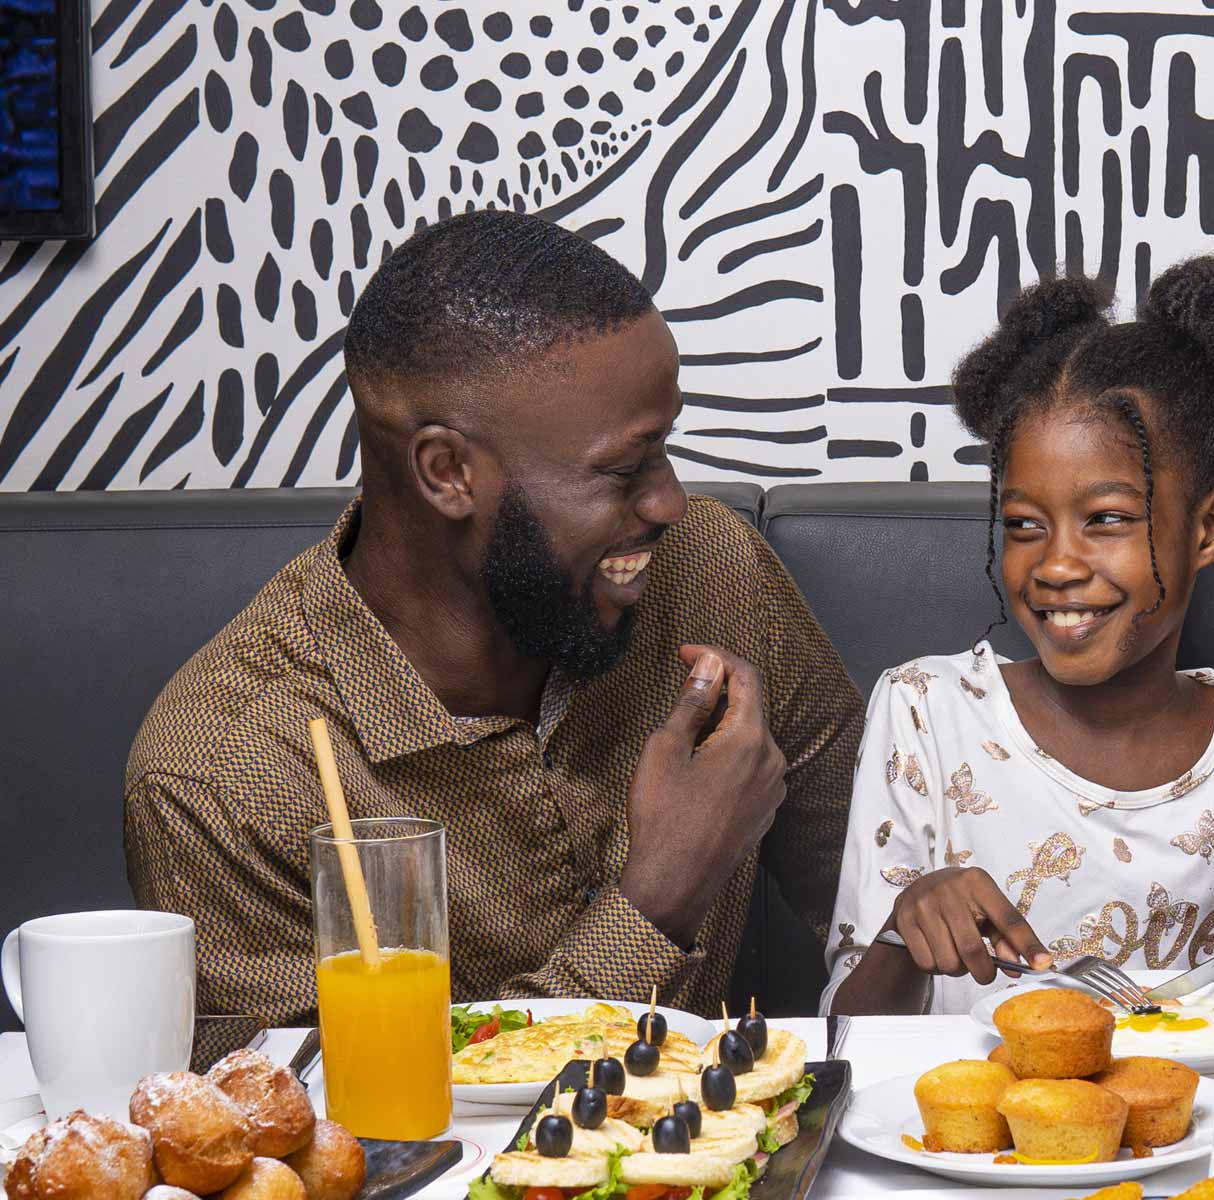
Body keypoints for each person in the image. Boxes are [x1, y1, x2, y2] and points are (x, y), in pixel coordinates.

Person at [123, 210, 864, 1025]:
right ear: (448, 473)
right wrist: (658, 899)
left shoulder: (711, 570)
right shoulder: (225, 775)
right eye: (622, 469)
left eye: (664, 449)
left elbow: (880, 897)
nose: (670, 500)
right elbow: (346, 1127)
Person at [823, 258, 1214, 1015]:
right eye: (1022, 526)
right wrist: (901, 932)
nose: (1058, 564)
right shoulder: (927, 714)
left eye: (1106, 519)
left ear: (1208, 528)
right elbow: (840, 1035)